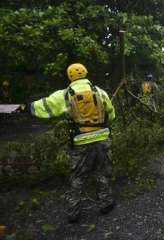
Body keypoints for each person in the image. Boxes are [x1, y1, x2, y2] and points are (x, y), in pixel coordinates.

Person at [28, 63, 116, 223]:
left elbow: (46, 106)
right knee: (103, 172)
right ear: (86, 73)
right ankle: (106, 203)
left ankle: (74, 212)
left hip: (81, 141)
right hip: (102, 139)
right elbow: (111, 114)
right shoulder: (100, 92)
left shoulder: (65, 94)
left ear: (70, 76)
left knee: (78, 177)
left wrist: (27, 107)